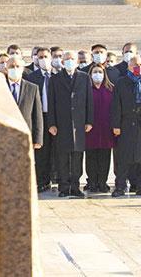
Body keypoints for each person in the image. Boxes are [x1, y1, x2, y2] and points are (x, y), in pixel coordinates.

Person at [111, 55, 141, 197]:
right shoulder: (121, 83)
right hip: (127, 123)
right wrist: (116, 125)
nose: (137, 67)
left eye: (139, 64)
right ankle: (120, 186)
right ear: (129, 67)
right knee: (124, 156)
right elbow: (116, 105)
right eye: (134, 65)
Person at [46, 51, 93, 198]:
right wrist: (51, 123)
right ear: (62, 62)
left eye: (72, 59)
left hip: (79, 124)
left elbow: (89, 101)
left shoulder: (84, 78)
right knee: (63, 157)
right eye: (66, 59)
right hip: (61, 123)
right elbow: (51, 102)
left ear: (77, 61)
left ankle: (75, 186)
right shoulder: (55, 79)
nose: (69, 61)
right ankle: (64, 187)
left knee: (77, 157)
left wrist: (89, 120)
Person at [5, 57, 43, 188]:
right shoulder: (0, 86)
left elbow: (37, 115)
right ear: (6, 68)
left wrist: (37, 139)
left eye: (17, 67)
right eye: (11, 66)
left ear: (22, 69)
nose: (14, 69)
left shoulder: (32, 88)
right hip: (5, 135)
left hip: (25, 135)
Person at [26, 47, 55, 192]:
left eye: (46, 56)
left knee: (56, 151)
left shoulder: (57, 75)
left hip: (55, 117)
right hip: (40, 116)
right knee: (41, 151)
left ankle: (55, 178)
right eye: (40, 57)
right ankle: (42, 181)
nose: (43, 59)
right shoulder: (32, 77)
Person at [85, 65, 114, 193]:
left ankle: (102, 182)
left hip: (106, 129)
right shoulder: (86, 89)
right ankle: (92, 182)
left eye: (100, 72)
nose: (98, 74)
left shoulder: (110, 89)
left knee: (105, 157)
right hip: (90, 129)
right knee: (91, 157)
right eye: (95, 72)